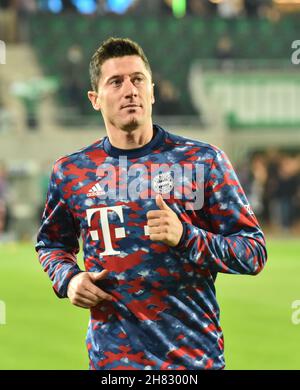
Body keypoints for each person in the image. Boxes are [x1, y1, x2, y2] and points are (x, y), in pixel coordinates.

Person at [36, 37, 267, 370]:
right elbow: (51, 243)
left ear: (152, 91)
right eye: (115, 82)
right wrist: (69, 278)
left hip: (191, 363)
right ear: (95, 99)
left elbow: (253, 251)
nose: (130, 90)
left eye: (138, 79)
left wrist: (187, 237)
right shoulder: (72, 172)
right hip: (112, 366)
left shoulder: (201, 161)